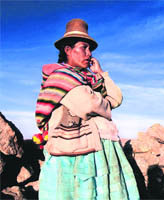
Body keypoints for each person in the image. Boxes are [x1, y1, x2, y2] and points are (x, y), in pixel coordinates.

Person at [33, 18, 140, 200]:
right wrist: (104, 105)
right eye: (84, 47)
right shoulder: (61, 77)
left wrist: (101, 73)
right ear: (68, 49)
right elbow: (88, 104)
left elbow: (117, 98)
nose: (89, 53)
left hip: (97, 148)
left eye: (90, 49)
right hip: (73, 152)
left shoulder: (89, 79)